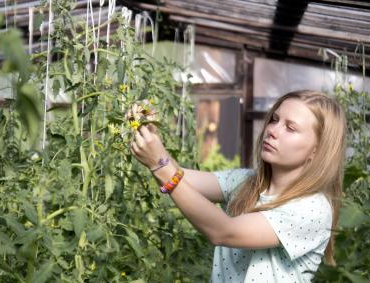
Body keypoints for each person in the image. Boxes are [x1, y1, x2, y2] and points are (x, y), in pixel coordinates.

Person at [129, 90, 346, 282]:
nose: (273, 130)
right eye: (274, 119)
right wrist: (152, 140)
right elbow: (181, 179)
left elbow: (224, 232)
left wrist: (160, 164)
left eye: (290, 128)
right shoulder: (245, 181)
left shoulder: (311, 208)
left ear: (317, 150)